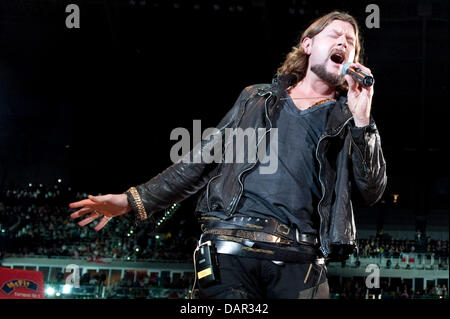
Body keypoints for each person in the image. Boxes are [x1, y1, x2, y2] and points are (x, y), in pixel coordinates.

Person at [69, 11, 387, 299]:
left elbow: (371, 189)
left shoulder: (348, 119)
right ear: (307, 44)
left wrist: (362, 121)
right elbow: (199, 161)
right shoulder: (255, 98)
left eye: (352, 42)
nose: (344, 43)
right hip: (229, 250)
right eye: (335, 35)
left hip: (300, 261)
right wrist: (131, 200)